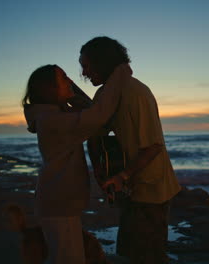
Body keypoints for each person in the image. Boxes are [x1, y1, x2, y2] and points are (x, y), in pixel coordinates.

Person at [82, 36, 181, 264]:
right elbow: (95, 128)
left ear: (102, 62)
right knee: (128, 251)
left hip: (150, 190)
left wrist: (122, 175)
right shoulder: (107, 93)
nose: (84, 73)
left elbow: (154, 146)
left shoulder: (134, 93)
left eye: (86, 66)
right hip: (130, 186)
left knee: (147, 254)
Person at [23, 63, 131, 264]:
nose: (70, 81)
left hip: (58, 202)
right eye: (64, 78)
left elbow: (90, 111)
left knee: (66, 258)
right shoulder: (53, 120)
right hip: (58, 204)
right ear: (50, 88)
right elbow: (98, 115)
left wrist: (71, 92)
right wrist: (120, 74)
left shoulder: (52, 116)